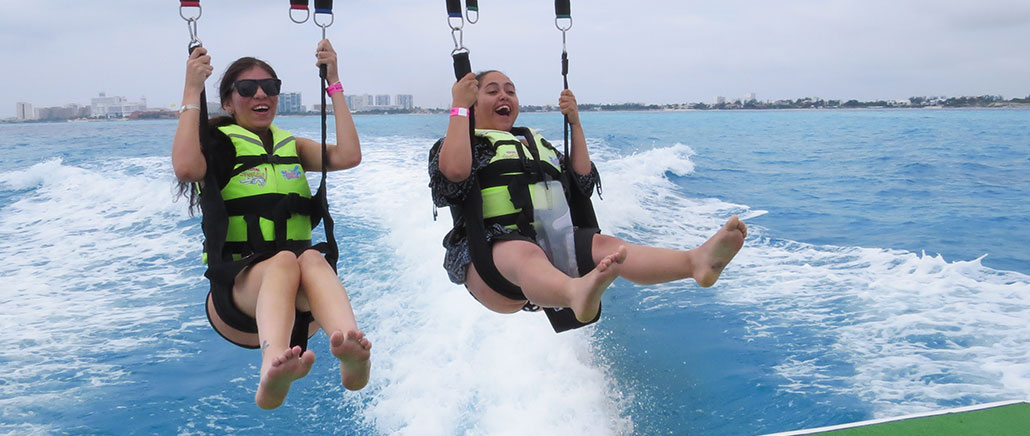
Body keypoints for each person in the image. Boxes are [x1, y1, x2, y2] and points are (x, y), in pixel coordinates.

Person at [429, 70, 748, 330]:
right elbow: (455, 175)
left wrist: (576, 123)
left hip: (551, 250)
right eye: (493, 90)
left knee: (608, 246)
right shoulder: (464, 144)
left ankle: (696, 263)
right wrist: (459, 106)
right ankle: (575, 292)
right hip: (489, 266)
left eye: (510, 91)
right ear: (473, 99)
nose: (504, 96)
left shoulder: (532, 143)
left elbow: (581, 180)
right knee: (524, 253)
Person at [171, 40, 370, 410]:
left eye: (270, 87)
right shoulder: (216, 146)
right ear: (228, 102)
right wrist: (191, 88)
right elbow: (185, 168)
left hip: (300, 294)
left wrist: (335, 83)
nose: (261, 94)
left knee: (312, 259)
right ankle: (272, 366)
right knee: (283, 261)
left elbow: (348, 156)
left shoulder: (291, 146)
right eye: (247, 89)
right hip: (238, 291)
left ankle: (350, 347)